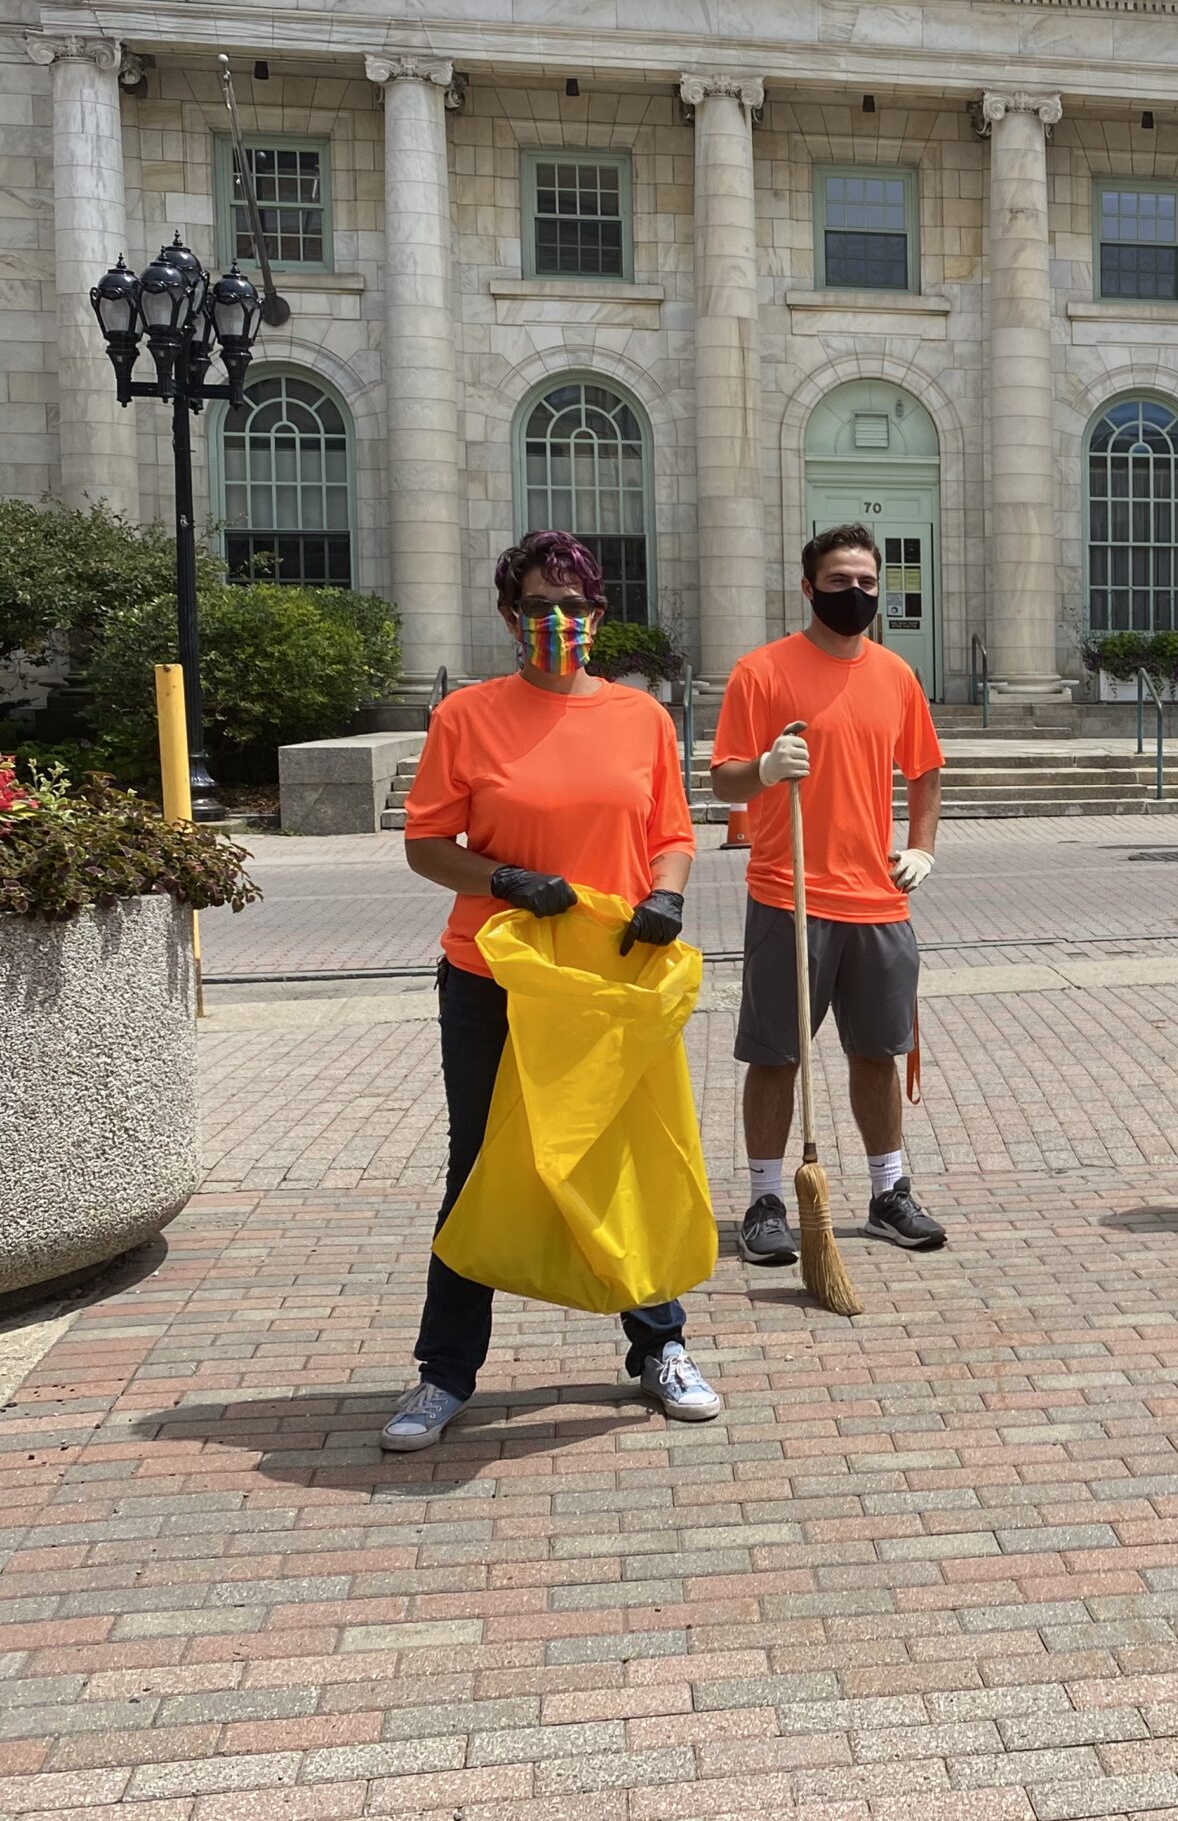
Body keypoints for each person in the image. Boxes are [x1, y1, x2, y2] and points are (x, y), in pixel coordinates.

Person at [383, 530, 718, 1452]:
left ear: (599, 618)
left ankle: (661, 1346)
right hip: (493, 975)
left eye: (574, 607)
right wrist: (502, 880)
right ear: (508, 618)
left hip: (605, 981)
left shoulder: (641, 718)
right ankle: (443, 1374)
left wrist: (666, 894)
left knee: (615, 1156)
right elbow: (425, 845)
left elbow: (674, 833)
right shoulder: (467, 717)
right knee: (480, 1164)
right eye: (538, 607)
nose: (558, 622)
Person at [712, 524, 947, 1263]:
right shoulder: (763, 671)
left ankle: (889, 1192)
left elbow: (926, 770)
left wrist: (921, 847)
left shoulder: (895, 675)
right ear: (808, 587)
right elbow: (723, 778)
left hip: (877, 899)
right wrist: (765, 768)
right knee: (777, 1054)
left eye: (869, 584)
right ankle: (765, 1199)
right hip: (792, 895)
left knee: (879, 1051)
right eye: (841, 582)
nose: (858, 595)